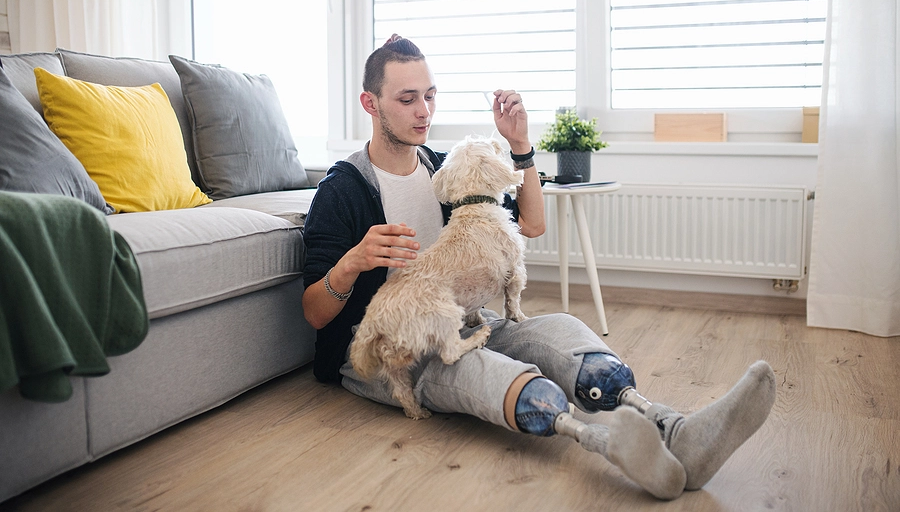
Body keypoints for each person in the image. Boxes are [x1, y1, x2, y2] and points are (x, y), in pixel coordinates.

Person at [301, 35, 776, 500]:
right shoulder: (342, 189)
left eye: (429, 96)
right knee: (475, 367)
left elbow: (531, 223)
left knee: (560, 331)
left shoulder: (440, 169)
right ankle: (610, 446)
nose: (424, 111)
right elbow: (315, 314)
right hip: (390, 348)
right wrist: (352, 262)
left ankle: (675, 430)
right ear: (370, 102)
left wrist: (521, 143)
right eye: (407, 99)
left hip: (463, 317)